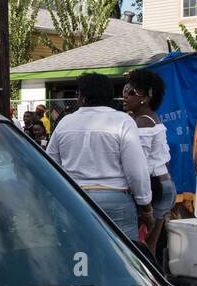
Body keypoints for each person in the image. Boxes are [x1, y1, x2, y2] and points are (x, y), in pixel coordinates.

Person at [47, 72, 154, 241]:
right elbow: (136, 170)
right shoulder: (123, 121)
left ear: (80, 97)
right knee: (123, 258)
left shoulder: (65, 122)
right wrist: (146, 206)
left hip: (74, 197)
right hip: (116, 199)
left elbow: (50, 164)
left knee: (77, 253)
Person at [122, 67, 175, 256]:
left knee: (142, 248)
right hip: (163, 183)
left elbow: (139, 163)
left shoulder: (143, 122)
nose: (125, 95)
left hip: (155, 187)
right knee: (149, 247)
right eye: (125, 90)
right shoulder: (149, 118)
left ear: (145, 97)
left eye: (131, 92)